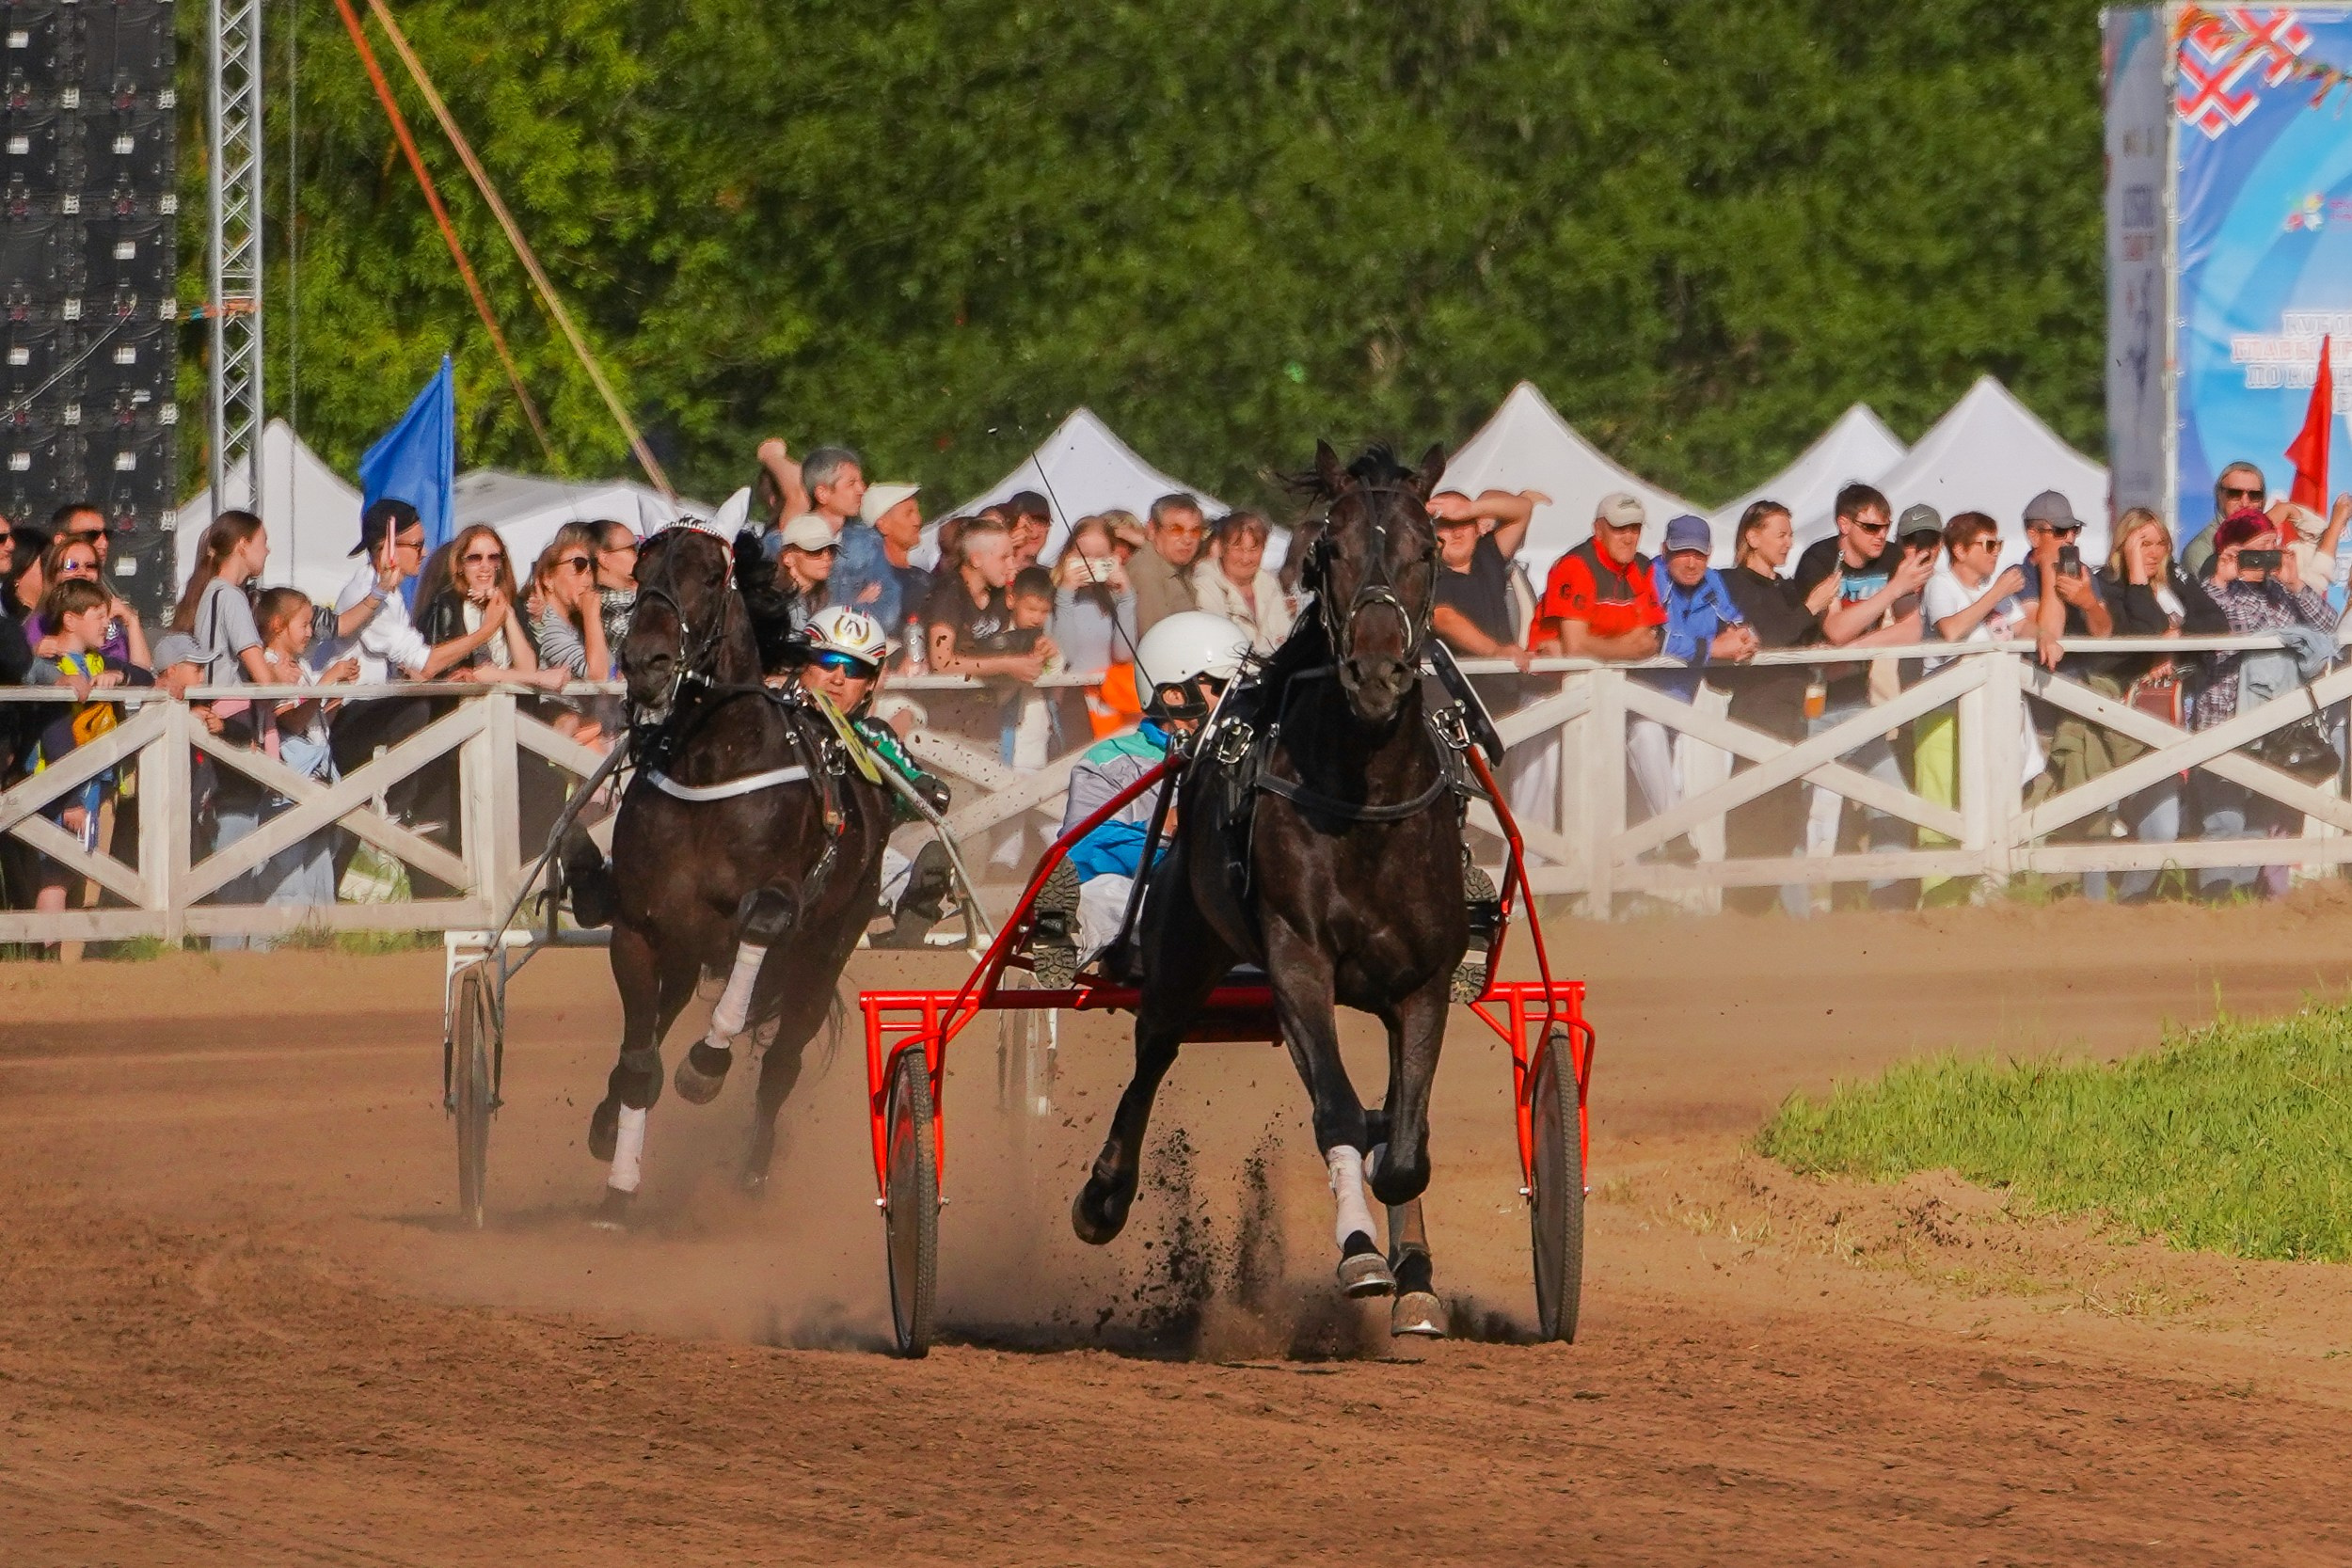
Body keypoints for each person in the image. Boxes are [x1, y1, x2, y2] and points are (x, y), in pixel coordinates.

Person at [1028, 610, 1251, 987]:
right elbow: (1078, 852)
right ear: (1177, 695)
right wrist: (1168, 828)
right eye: (1226, 688)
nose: (1242, 702)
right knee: (1108, 892)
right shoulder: (1111, 760)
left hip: (1237, 909)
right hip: (1150, 913)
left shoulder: (1258, 758)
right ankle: (1064, 935)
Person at [315, 499, 503, 847]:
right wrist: (484, 631)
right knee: (418, 708)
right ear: (387, 548)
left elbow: (418, 665)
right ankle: (401, 809)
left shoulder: (390, 593)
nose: (425, 551)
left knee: (343, 839)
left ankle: (404, 806)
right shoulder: (371, 591)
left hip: (358, 713)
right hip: (338, 720)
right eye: (416, 545)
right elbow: (424, 662)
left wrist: (449, 678)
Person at [1789, 482, 1933, 906]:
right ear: (1844, 524)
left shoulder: (1890, 558)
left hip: (1856, 700)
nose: (1880, 536)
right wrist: (1890, 592)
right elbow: (1833, 627)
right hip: (1810, 703)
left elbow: (1911, 629)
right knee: (1802, 809)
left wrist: (1851, 649)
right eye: (1870, 527)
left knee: (1892, 802)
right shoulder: (1819, 559)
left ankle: (1887, 908)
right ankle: (1797, 914)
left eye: (1885, 527)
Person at [2194, 509, 2336, 900]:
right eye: (2257, 551)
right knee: (2224, 820)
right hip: (2223, 720)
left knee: (2265, 819)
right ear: (2230, 551)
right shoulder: (2211, 589)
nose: (2267, 558)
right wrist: (2223, 579)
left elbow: (2328, 629)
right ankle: (2216, 906)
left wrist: (2296, 587)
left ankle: (2249, 906)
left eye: (2273, 547)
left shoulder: (2283, 591)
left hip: (2277, 727)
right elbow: (2224, 630)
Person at [2098, 509, 2228, 901]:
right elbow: (2139, 634)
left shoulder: (2177, 578)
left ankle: (2141, 899)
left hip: (2186, 709)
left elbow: (2216, 622)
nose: (2154, 553)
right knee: (2131, 814)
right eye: (2143, 544)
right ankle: (2124, 902)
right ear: (2123, 545)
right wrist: (2138, 580)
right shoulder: (2110, 585)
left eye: (2160, 544)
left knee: (2170, 818)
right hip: (2135, 715)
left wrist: (2175, 638)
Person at [1913, 512, 2039, 904]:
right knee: (1942, 816)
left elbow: (2022, 628)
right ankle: (1939, 902)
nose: (1995, 552)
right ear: (1960, 550)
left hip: (1996, 716)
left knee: (1992, 813)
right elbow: (1951, 630)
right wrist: (1996, 594)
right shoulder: (1941, 584)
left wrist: (2047, 637)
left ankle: (1987, 894)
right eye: (1987, 544)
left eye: (1998, 543)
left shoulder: (1992, 588)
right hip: (1944, 717)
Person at [1718, 500, 1832, 916]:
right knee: (1753, 807)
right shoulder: (1731, 583)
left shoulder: (1784, 587)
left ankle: (1779, 909)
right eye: (1780, 534)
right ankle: (1742, 908)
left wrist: (1812, 630)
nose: (1789, 542)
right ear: (1753, 537)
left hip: (1793, 707)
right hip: (1755, 708)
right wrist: (1810, 608)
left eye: (1789, 534)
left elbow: (1796, 636)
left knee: (1788, 811)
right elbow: (1764, 636)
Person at [24, 578, 148, 929]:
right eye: (97, 615)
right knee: (56, 875)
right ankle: (46, 962)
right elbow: (54, 729)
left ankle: (66, 964)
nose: (106, 624)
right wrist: (69, 799)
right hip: (60, 784)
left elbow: (146, 678)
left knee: (83, 875)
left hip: (96, 783)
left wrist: (120, 676)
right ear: (70, 619)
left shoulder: (97, 662)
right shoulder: (48, 664)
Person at [1634, 514, 1755, 862]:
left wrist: (1747, 640)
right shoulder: (1650, 578)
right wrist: (1711, 648)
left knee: (1653, 795)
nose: (1691, 562)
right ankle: (1674, 837)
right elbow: (1652, 638)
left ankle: (1657, 892)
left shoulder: (1712, 582)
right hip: (1631, 701)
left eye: (1699, 554)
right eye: (1682, 552)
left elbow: (1739, 623)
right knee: (1645, 735)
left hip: (1684, 708)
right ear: (1664, 551)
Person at [247, 586, 358, 930]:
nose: (311, 633)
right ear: (279, 625)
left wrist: (334, 694)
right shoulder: (269, 665)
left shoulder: (302, 668)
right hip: (289, 782)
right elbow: (290, 719)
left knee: (321, 860)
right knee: (288, 869)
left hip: (319, 773)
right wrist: (326, 682)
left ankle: (318, 935)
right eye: (305, 624)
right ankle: (278, 942)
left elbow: (314, 721)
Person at [1529, 492, 1663, 660]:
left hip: (1610, 674)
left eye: (1635, 528)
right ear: (1598, 529)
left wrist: (1599, 647)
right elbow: (1576, 647)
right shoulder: (1576, 565)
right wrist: (1631, 652)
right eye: (1619, 528)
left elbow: (1645, 639)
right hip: (1554, 677)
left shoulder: (1643, 567)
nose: (1628, 538)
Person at [1429, 487, 1542, 672]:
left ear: (1477, 529)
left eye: (1463, 523)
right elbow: (1443, 619)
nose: (1457, 533)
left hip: (1505, 682)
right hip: (1452, 689)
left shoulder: (1488, 553)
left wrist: (1470, 509)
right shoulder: (1424, 572)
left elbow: (1523, 510)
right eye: (1447, 525)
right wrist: (1496, 652)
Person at [1052, 516, 1141, 737]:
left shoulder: (1111, 599)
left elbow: (1123, 654)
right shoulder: (1053, 596)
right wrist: (1065, 593)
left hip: (1107, 704)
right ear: (1067, 555)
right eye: (1083, 556)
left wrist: (1126, 598)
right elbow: (1066, 655)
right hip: (1070, 704)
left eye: (1100, 558)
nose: (1090, 564)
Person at [25, 531, 148, 669]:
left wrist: (132, 621)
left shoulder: (114, 619)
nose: (82, 572)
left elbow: (143, 677)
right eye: (71, 566)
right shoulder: (41, 622)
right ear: (54, 574)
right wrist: (34, 652)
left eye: (90, 566)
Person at [1189, 511, 1295, 655]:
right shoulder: (1205, 585)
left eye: (1253, 549)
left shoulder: (1269, 583)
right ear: (1221, 548)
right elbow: (1218, 645)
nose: (1246, 558)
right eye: (1238, 548)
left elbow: (1286, 637)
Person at [833, 481, 929, 637]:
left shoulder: (921, 575)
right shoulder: (878, 588)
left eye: (917, 512)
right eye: (908, 513)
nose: (918, 521)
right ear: (883, 525)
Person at [1001, 565, 1062, 766]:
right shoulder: (999, 645)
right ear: (1011, 601)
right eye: (1031, 609)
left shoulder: (1048, 644)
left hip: (1042, 748)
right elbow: (997, 698)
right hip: (1010, 750)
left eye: (1044, 611)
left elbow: (1056, 694)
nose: (1037, 618)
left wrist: (1054, 658)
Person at [1130, 494, 1206, 635]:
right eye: (1176, 529)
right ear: (1152, 529)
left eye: (1195, 531)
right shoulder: (1146, 573)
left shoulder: (1177, 569)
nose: (1187, 539)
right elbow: (1155, 638)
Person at [2183, 461, 2269, 578]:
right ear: (2219, 495)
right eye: (2235, 493)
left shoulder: (2270, 544)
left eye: (2254, 495)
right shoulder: (2201, 549)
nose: (2245, 503)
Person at [771, 514, 837, 626]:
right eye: (815, 551)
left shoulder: (830, 599)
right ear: (788, 558)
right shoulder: (774, 604)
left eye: (830, 550)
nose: (827, 557)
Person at [592, 520, 638, 650]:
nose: (640, 553)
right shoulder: (612, 612)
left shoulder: (637, 594)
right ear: (604, 559)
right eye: (632, 548)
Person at [1004, 490, 1053, 572]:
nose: (1032, 529)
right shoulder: (993, 577)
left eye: (1041, 521)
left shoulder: (1055, 578)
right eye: (1026, 523)